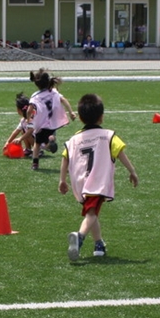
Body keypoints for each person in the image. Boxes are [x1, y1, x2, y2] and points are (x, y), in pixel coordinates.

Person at [59, 93, 139, 261]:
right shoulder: (108, 136)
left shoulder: (74, 139)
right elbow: (121, 154)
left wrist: (62, 180)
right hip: (96, 182)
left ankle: (99, 244)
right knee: (91, 213)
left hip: (80, 182)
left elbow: (65, 158)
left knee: (92, 212)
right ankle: (79, 238)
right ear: (101, 117)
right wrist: (132, 171)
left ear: (80, 117)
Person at [14, 68, 76, 170]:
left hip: (41, 123)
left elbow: (30, 109)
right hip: (53, 123)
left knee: (37, 144)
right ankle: (50, 140)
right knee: (49, 134)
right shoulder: (54, 92)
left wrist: (29, 118)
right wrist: (71, 112)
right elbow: (63, 100)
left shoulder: (36, 96)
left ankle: (35, 164)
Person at [2, 92, 35, 157]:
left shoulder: (31, 119)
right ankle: (28, 149)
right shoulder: (23, 120)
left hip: (40, 142)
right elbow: (16, 131)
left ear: (19, 110)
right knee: (23, 131)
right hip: (34, 139)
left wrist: (20, 139)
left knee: (27, 133)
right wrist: (8, 142)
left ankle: (38, 151)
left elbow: (30, 131)